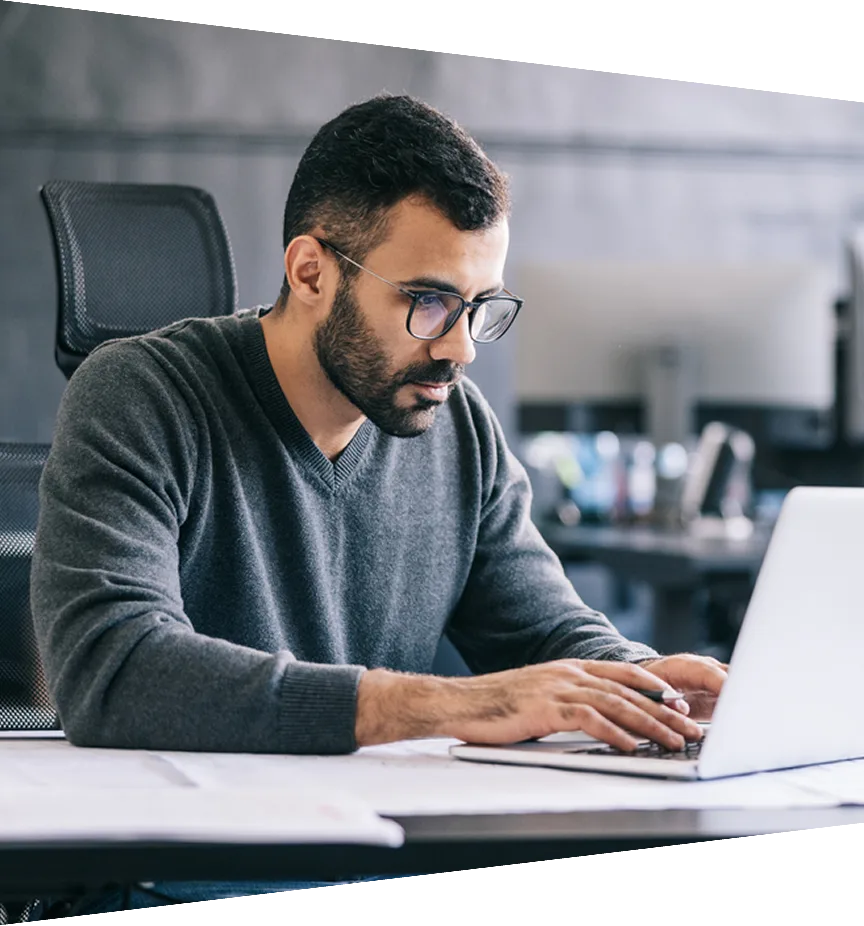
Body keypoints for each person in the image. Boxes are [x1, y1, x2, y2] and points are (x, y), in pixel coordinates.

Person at [29, 93, 727, 910]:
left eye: (479, 307)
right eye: (427, 302)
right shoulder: (141, 395)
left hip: (374, 849)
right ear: (311, 271)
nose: (460, 346)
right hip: (184, 871)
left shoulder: (459, 427)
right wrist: (450, 704)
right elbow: (115, 671)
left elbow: (543, 628)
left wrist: (649, 686)